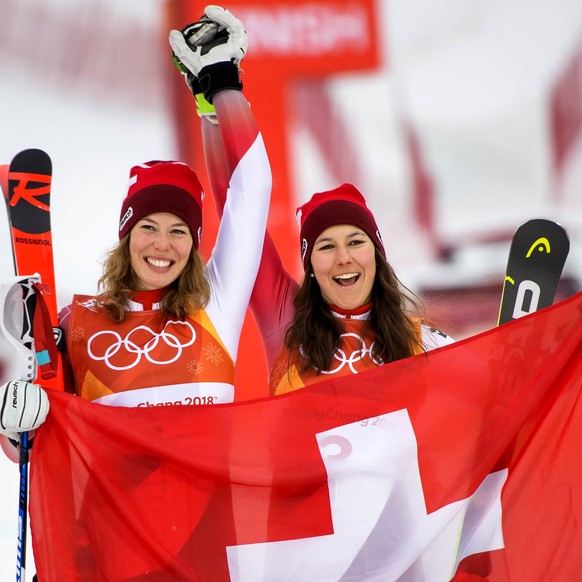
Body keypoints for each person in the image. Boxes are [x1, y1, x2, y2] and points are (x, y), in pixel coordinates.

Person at [0, 5, 271, 449]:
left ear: (195, 243)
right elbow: (37, 445)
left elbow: (252, 189)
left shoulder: (214, 309)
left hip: (208, 520)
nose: (162, 244)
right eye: (148, 226)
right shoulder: (78, 325)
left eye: (179, 230)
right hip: (111, 520)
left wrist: (220, 86)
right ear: (126, 236)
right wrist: (14, 430)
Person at [194, 14, 453, 395]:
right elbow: (238, 206)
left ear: (377, 253)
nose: (343, 257)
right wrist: (216, 89)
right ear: (310, 263)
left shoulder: (423, 340)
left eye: (355, 241)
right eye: (326, 247)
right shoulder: (286, 321)